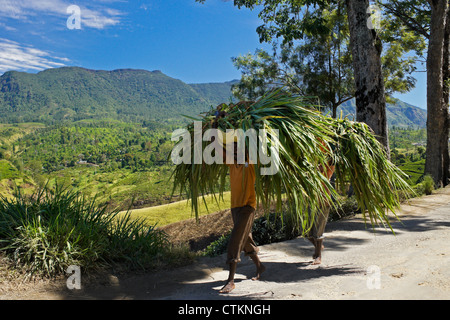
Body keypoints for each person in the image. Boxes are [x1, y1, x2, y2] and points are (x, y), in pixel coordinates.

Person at [212, 109, 265, 294]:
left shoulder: (249, 161)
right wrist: (216, 123)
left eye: (237, 147)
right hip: (235, 206)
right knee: (245, 239)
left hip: (247, 207)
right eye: (232, 148)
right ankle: (260, 266)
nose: (234, 150)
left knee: (235, 240)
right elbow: (215, 144)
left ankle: (230, 280)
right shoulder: (230, 162)